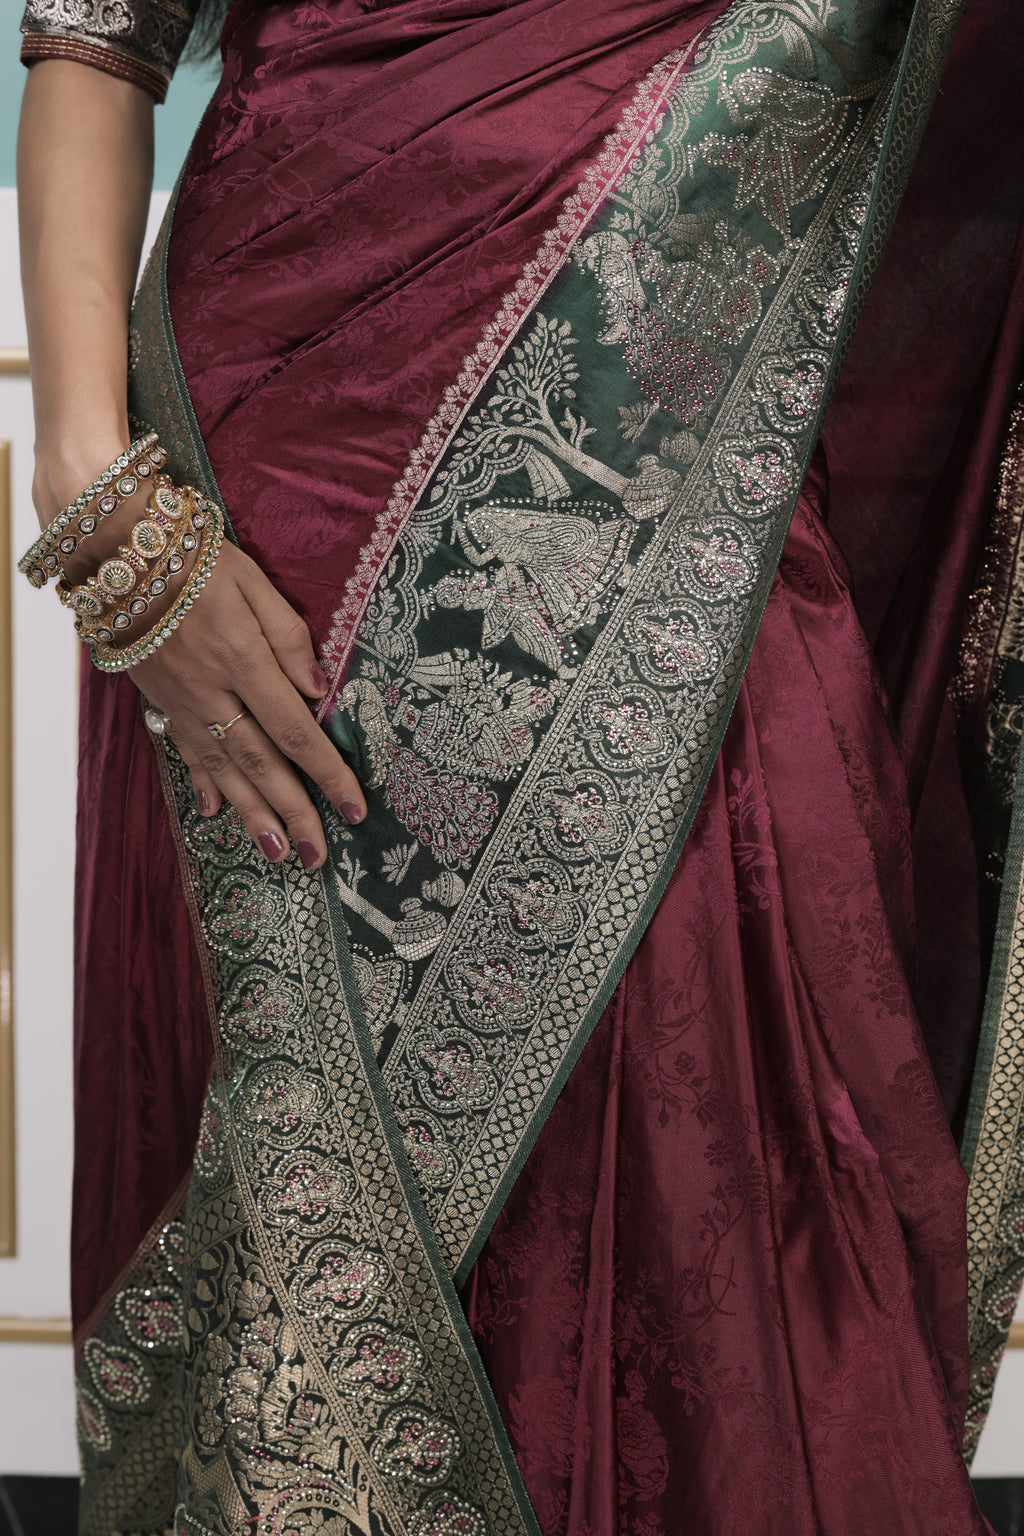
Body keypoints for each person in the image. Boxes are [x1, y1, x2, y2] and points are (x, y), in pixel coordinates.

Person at [15, 0, 1024, 1532]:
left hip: (693, 451)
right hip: (280, 494)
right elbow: (97, 34)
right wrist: (96, 486)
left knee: (728, 1168)